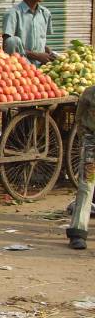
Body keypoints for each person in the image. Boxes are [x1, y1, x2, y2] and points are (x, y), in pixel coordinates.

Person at [2, 0, 55, 66]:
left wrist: (49, 53)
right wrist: (36, 55)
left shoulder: (46, 13)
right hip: (20, 65)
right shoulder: (13, 13)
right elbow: (8, 46)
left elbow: (41, 42)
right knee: (12, 41)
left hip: (42, 66)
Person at [67, 85, 95, 250]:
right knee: (86, 186)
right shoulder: (90, 93)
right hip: (92, 146)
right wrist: (85, 139)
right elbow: (79, 119)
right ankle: (78, 232)